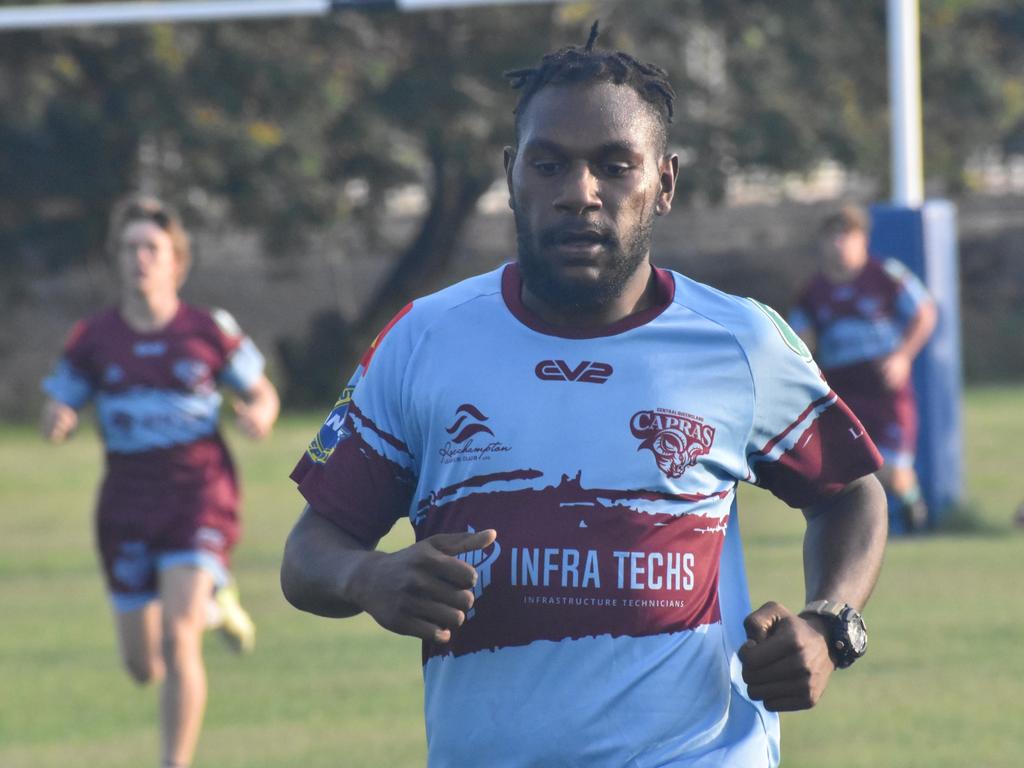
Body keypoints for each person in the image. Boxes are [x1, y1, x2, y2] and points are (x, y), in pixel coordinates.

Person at [281, 24, 887, 767]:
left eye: (614, 164)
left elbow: (849, 493)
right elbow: (310, 550)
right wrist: (368, 576)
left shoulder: (740, 343)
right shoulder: (424, 340)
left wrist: (828, 623)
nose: (580, 194)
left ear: (663, 183)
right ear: (511, 176)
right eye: (550, 164)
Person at [41, 194, 280, 768]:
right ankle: (216, 606)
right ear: (116, 260)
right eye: (129, 249)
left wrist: (261, 415)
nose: (140, 258)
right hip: (126, 503)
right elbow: (59, 399)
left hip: (199, 495)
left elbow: (261, 392)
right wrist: (58, 417)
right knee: (143, 666)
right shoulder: (93, 337)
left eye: (151, 248)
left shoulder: (208, 330)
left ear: (177, 260)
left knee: (178, 639)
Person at [788, 205, 937, 532]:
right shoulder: (813, 291)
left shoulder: (885, 275)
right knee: (849, 469)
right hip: (842, 390)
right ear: (823, 243)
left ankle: (912, 505)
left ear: (863, 241)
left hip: (884, 390)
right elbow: (798, 338)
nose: (840, 244)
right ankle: (858, 531)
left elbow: (925, 312)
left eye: (848, 236)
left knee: (893, 471)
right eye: (833, 237)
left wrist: (902, 356)